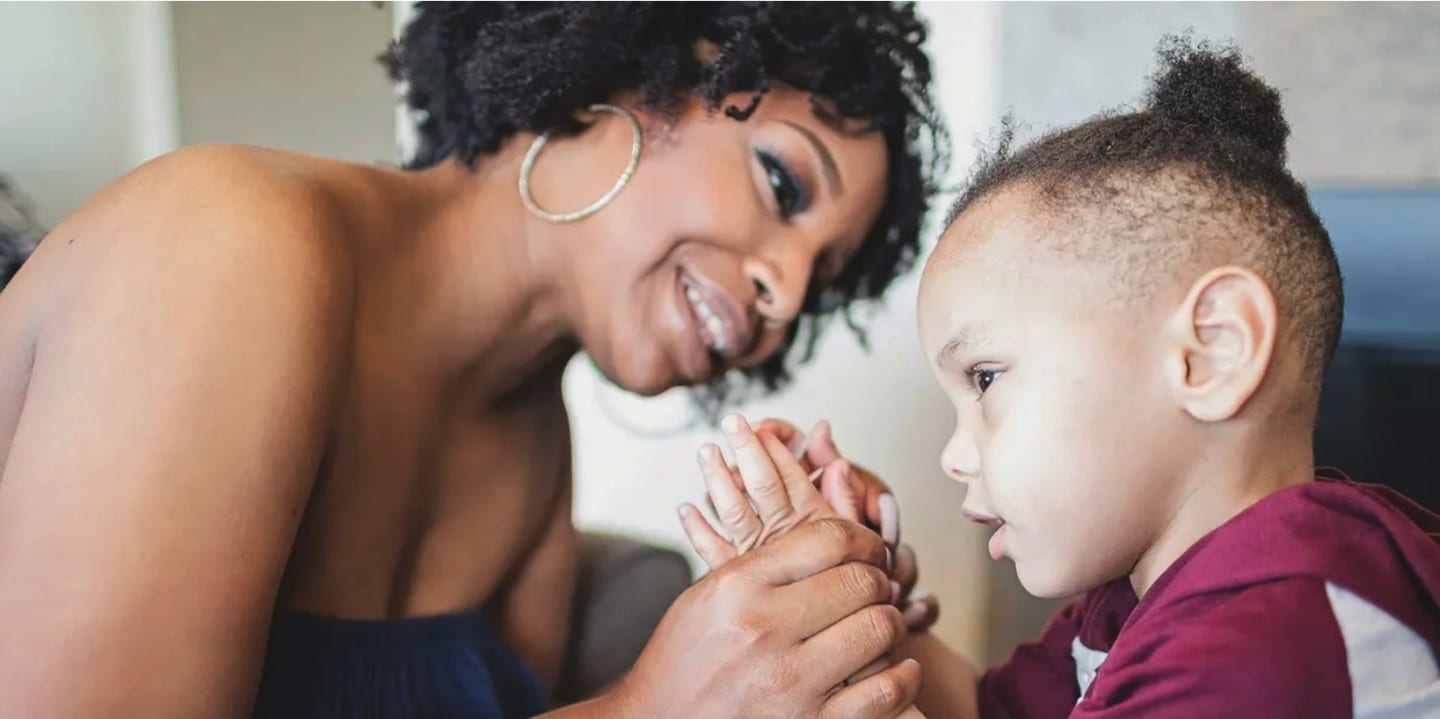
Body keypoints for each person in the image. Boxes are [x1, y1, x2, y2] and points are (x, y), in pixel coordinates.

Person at [0, 3, 949, 717]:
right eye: (783, 182)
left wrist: (817, 623)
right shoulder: (227, 242)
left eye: (818, 281)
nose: (783, 296)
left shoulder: (535, 452)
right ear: (632, 68)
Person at [683, 38, 1440, 717]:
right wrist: (849, 586)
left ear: (1210, 351)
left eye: (984, 379)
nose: (954, 455)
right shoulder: (1134, 600)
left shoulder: (1274, 641)